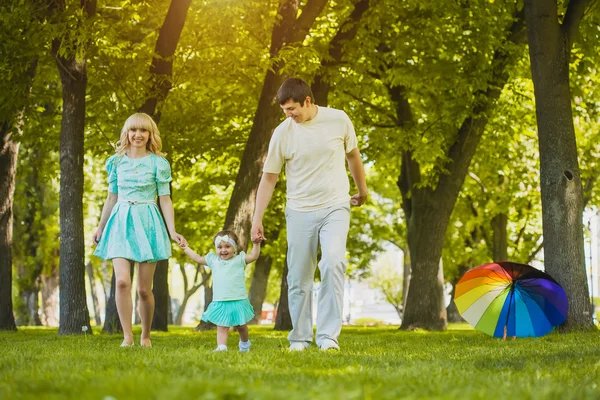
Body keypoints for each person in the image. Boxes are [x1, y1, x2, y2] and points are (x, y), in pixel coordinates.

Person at [251, 77, 368, 351]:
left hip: (335, 205)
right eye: (284, 111)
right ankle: (300, 338)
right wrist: (257, 218)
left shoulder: (338, 120)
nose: (289, 115)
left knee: (333, 263)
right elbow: (269, 178)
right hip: (300, 210)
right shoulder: (282, 132)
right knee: (299, 276)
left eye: (292, 109)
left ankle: (328, 337)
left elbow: (353, 156)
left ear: (307, 101)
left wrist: (362, 190)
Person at [92, 112, 186, 348]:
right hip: (121, 222)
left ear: (150, 134)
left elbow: (165, 199)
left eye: (143, 130)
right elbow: (111, 197)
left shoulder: (158, 163)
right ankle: (127, 337)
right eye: (133, 130)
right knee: (122, 281)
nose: (138, 135)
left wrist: (172, 230)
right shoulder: (116, 162)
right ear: (127, 133)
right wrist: (100, 226)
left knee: (144, 289)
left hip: (148, 222)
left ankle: (145, 336)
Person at [181, 230, 260, 352]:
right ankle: (222, 347)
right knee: (222, 326)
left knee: (241, 326)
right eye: (220, 247)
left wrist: (256, 244)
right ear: (216, 249)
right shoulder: (213, 260)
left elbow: (254, 256)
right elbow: (197, 258)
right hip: (221, 301)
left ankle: (244, 343)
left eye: (227, 246)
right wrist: (186, 248)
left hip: (238, 299)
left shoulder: (239, 259)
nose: (223, 250)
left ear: (234, 248)